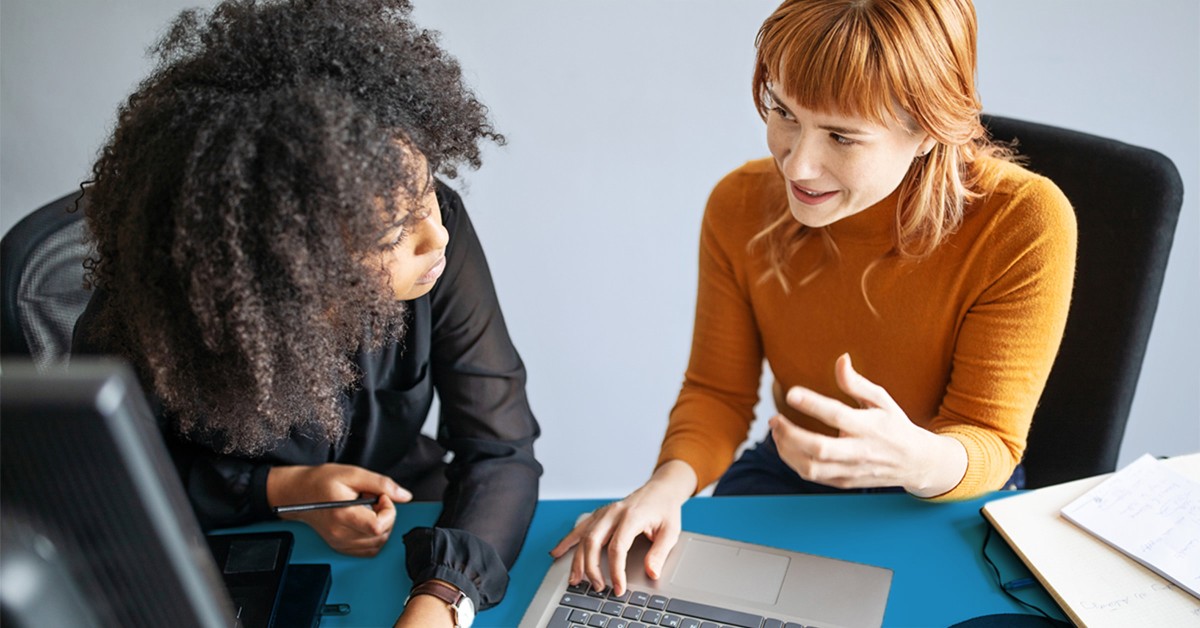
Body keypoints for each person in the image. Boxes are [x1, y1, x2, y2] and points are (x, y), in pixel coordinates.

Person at [552, 0, 1075, 595]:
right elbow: (718, 393)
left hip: (946, 488)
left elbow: (989, 437)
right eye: (783, 113)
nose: (797, 163)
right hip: (795, 470)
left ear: (929, 130)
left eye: (842, 137)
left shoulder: (1023, 221)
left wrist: (915, 461)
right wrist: (667, 485)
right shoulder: (739, 203)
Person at [70, 1, 541, 626]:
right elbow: (108, 490)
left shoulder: (435, 230)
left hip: (398, 518)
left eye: (430, 192)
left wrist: (442, 600)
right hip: (217, 552)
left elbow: (499, 446)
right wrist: (277, 490)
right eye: (396, 230)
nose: (438, 238)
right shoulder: (162, 312)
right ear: (290, 256)